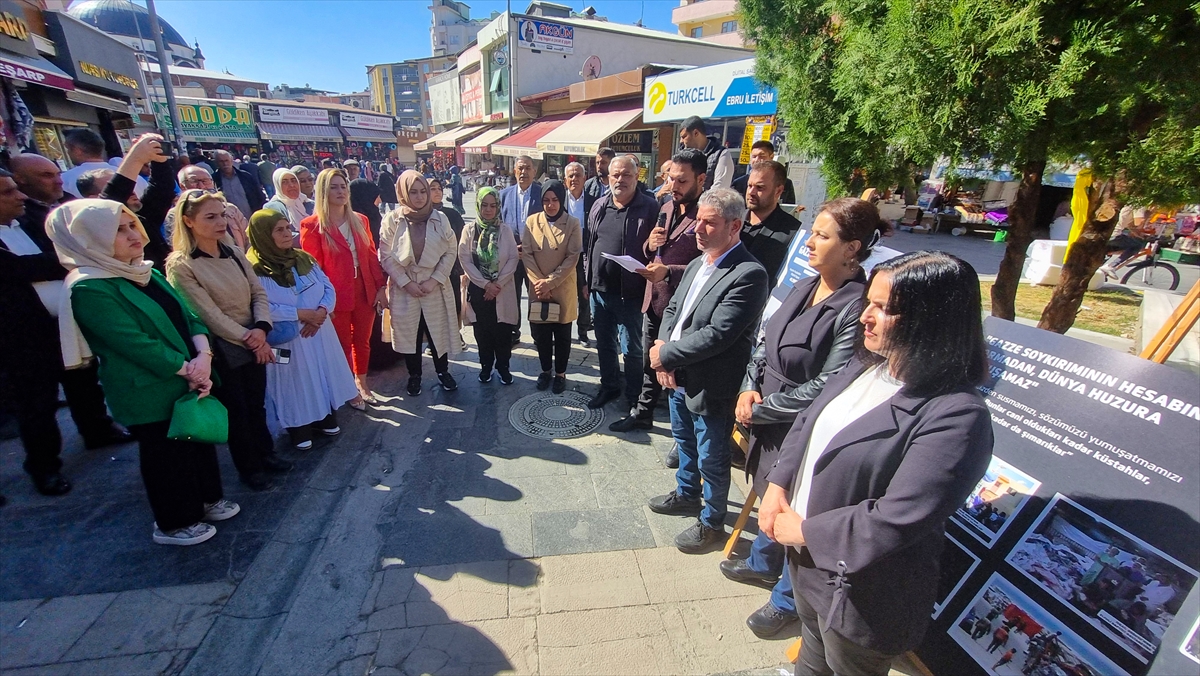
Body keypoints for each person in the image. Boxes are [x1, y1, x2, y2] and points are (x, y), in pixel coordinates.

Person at [758, 251, 993, 676]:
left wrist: (805, 531)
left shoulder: (956, 416)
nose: (865, 316)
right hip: (807, 568)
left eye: (885, 309)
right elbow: (809, 422)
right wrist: (777, 485)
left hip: (862, 597)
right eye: (870, 300)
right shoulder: (865, 365)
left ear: (933, 319)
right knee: (811, 662)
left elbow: (899, 517)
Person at [723, 198, 886, 639]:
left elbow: (833, 380)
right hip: (767, 411)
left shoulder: (856, 305)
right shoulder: (805, 284)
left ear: (852, 248)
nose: (809, 242)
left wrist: (763, 409)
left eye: (822, 235)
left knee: (796, 506)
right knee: (767, 491)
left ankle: (788, 600)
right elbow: (765, 338)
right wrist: (748, 385)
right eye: (812, 232)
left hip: (805, 424)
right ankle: (762, 562)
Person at [47, 199, 239, 545]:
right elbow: (131, 343)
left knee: (198, 440)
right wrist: (189, 368)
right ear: (90, 239)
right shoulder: (90, 287)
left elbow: (188, 314)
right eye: (118, 230)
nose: (133, 235)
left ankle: (207, 499)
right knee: (165, 456)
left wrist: (204, 355)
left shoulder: (145, 272)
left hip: (192, 374)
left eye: (132, 225)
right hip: (148, 386)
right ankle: (174, 522)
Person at [646, 188, 769, 553]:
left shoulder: (749, 273)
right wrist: (662, 350)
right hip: (679, 376)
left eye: (708, 223)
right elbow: (673, 310)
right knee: (684, 441)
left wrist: (666, 355)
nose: (697, 229)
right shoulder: (700, 262)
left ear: (734, 226)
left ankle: (713, 522)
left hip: (711, 384)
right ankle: (687, 493)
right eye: (697, 219)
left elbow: (719, 335)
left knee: (712, 457)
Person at [0, 171, 130, 497]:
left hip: (65, 322)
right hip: (21, 337)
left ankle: (97, 428)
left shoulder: (32, 219)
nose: (19, 196)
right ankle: (44, 466)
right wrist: (66, 260)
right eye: (7, 192)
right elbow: (20, 269)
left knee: (83, 379)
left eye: (18, 187)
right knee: (37, 403)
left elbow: (76, 237)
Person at [166, 190, 292, 491]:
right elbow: (206, 313)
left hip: (254, 335)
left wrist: (261, 329)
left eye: (222, 215)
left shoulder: (233, 251)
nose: (221, 222)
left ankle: (266, 453)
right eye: (210, 217)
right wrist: (250, 338)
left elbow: (257, 293)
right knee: (236, 410)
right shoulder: (182, 265)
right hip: (223, 346)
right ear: (189, 221)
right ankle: (249, 467)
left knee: (257, 402)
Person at [609, 149, 706, 434]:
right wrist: (650, 245)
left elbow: (710, 265)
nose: (674, 187)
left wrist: (670, 271)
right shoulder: (664, 207)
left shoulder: (708, 213)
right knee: (650, 363)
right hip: (655, 300)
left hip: (687, 310)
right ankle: (643, 413)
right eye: (671, 179)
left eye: (682, 181)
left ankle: (683, 435)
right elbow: (653, 251)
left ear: (701, 179)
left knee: (680, 371)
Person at [246, 210, 358, 450]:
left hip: (318, 331)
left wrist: (320, 312)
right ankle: (298, 427)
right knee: (295, 383)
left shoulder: (303, 258)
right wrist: (299, 315)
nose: (287, 234)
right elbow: (261, 305)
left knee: (321, 375)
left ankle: (326, 417)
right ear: (264, 235)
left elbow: (328, 287)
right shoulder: (254, 269)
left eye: (288, 228)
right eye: (279, 230)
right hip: (289, 339)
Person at [299, 169, 388, 408]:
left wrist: (380, 287)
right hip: (335, 294)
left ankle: (362, 383)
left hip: (364, 288)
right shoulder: (312, 225)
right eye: (334, 187)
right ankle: (347, 387)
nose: (340, 192)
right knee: (341, 343)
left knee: (363, 340)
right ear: (323, 192)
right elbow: (313, 269)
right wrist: (322, 302)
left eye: (343, 186)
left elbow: (370, 256)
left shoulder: (360, 220)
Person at [584, 155, 660, 410]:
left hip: (631, 293)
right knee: (604, 344)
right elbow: (590, 244)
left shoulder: (650, 207)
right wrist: (588, 281)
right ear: (608, 177)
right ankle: (609, 386)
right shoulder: (599, 205)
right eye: (615, 175)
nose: (620, 180)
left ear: (636, 176)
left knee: (632, 349)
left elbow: (656, 250)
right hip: (600, 291)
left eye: (626, 174)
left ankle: (634, 395)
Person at [379, 170, 460, 396]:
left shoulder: (440, 218)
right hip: (406, 289)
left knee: (437, 331)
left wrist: (435, 280)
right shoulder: (392, 220)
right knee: (410, 334)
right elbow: (385, 255)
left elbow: (450, 250)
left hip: (434, 287)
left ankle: (443, 371)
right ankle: (414, 375)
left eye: (422, 191)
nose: (419, 197)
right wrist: (406, 283)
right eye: (412, 192)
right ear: (403, 193)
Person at [521, 180, 582, 394]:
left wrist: (550, 282)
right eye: (546, 200)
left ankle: (560, 374)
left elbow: (572, 256)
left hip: (562, 287)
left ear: (561, 200)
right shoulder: (531, 221)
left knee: (563, 335)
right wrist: (540, 283)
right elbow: (526, 254)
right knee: (541, 333)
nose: (550, 205)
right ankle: (545, 370)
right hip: (538, 289)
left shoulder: (572, 223)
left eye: (555, 200)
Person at [460, 188, 518, 384]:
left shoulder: (505, 230)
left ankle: (503, 367)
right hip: (479, 291)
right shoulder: (469, 230)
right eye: (484, 205)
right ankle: (486, 366)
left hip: (502, 291)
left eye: (493, 206)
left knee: (502, 333)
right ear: (478, 206)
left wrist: (497, 285)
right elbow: (465, 260)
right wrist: (485, 285)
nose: (488, 210)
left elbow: (513, 258)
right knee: (482, 333)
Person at [98, 135, 176, 267]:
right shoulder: (97, 229)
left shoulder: (143, 219)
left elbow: (163, 189)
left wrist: (158, 159)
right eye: (120, 229)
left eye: (132, 226)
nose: (131, 190)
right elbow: (110, 203)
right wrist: (136, 158)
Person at [500, 155, 543, 345]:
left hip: (536, 256)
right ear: (515, 171)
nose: (523, 172)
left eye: (527, 168)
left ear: (534, 171)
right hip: (512, 256)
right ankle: (513, 331)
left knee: (535, 295)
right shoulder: (504, 195)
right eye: (520, 168)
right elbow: (500, 225)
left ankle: (538, 334)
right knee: (512, 295)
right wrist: (510, 247)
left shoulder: (542, 194)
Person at [742, 161, 804, 286]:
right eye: (749, 186)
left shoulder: (793, 233)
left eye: (760, 187)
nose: (751, 192)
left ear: (778, 191)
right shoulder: (730, 221)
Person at [176, 165, 250, 249]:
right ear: (182, 186)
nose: (202, 186)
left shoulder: (231, 209)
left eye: (205, 181)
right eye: (194, 181)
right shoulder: (176, 214)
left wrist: (244, 260)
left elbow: (248, 238)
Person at [61, 128, 147, 199]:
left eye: (68, 149)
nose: (68, 153)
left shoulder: (64, 180)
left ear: (77, 151)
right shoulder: (136, 177)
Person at [563, 162, 594, 347]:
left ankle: (583, 332)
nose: (574, 179)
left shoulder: (593, 200)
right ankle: (563, 330)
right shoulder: (559, 200)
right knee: (564, 295)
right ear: (565, 180)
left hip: (584, 256)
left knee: (584, 295)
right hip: (563, 256)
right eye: (571, 176)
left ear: (584, 178)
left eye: (578, 175)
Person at [429, 177, 466, 317]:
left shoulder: (452, 214)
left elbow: (462, 240)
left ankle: (455, 335)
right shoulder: (419, 216)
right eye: (433, 189)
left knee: (453, 305)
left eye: (439, 188)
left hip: (452, 268)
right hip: (428, 272)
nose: (437, 192)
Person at [11, 154, 70, 239]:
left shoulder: (73, 201)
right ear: (20, 178)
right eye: (47, 175)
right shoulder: (21, 216)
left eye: (58, 174)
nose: (59, 181)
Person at [679, 116, 733, 190]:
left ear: (696, 133)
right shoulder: (682, 155)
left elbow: (719, 189)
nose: (681, 141)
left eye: (684, 136)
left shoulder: (721, 154)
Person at [212, 150, 266, 219]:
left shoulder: (245, 176)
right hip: (231, 222)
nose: (225, 164)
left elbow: (259, 195)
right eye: (221, 161)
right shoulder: (215, 180)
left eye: (226, 160)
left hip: (252, 217)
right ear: (216, 163)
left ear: (231, 160)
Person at [264, 168, 316, 238]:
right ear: (278, 185)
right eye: (284, 182)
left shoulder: (311, 204)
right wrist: (312, 238)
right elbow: (280, 235)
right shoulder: (272, 208)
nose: (291, 185)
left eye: (294, 181)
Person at [349, 176, 383, 241]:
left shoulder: (374, 216)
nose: (380, 200)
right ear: (366, 198)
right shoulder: (350, 223)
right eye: (376, 197)